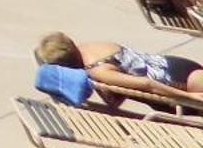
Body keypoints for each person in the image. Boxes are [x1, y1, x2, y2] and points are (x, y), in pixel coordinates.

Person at [37, 33, 203, 102]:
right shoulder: (90, 46)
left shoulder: (97, 70)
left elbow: (147, 84)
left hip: (180, 85)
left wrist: (191, 97)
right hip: (177, 65)